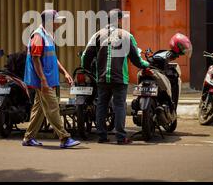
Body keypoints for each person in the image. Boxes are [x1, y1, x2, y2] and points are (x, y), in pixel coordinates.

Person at [81, 9, 150, 145]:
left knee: (102, 104)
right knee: (119, 105)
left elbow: (85, 57)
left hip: (101, 78)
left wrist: (87, 70)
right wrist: (146, 64)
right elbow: (136, 59)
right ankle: (120, 137)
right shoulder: (126, 36)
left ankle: (102, 136)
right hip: (119, 78)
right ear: (118, 20)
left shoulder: (97, 35)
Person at [22, 10, 80, 148]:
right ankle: (64, 138)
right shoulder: (38, 36)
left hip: (47, 80)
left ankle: (28, 138)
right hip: (43, 81)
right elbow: (35, 59)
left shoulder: (48, 35)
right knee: (53, 107)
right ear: (49, 21)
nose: (58, 23)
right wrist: (42, 80)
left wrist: (65, 72)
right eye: (56, 20)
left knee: (39, 110)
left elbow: (53, 58)